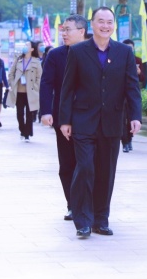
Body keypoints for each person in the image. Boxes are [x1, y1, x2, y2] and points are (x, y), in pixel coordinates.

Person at [59, 7, 142, 238]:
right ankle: (82, 220)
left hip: (112, 122)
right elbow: (68, 88)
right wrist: (65, 120)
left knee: (106, 172)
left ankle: (100, 219)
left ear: (113, 25)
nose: (105, 26)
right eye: (101, 21)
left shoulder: (124, 52)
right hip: (83, 121)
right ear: (92, 24)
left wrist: (135, 116)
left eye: (109, 22)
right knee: (85, 168)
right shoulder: (78, 51)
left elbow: (132, 87)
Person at [40, 14, 87, 221]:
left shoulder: (94, 52)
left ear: (81, 31)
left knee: (87, 164)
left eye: (68, 30)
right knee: (67, 164)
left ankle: (89, 204)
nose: (64, 34)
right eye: (63, 30)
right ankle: (72, 204)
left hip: (89, 118)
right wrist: (46, 111)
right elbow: (46, 83)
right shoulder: (56, 55)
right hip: (63, 118)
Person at [7, 41, 42, 141]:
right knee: (19, 113)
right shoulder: (18, 60)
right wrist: (12, 83)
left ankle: (27, 133)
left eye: (27, 45)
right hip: (19, 91)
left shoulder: (36, 62)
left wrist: (36, 87)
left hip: (31, 91)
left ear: (32, 49)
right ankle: (22, 129)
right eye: (24, 45)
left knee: (30, 113)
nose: (25, 47)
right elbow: (11, 73)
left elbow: (39, 77)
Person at [120, 39, 146, 153]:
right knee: (121, 119)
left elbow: (143, 78)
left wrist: (139, 72)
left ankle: (130, 138)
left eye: (131, 48)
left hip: (132, 93)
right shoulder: (118, 59)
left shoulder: (137, 60)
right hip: (120, 94)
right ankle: (124, 142)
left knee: (131, 117)